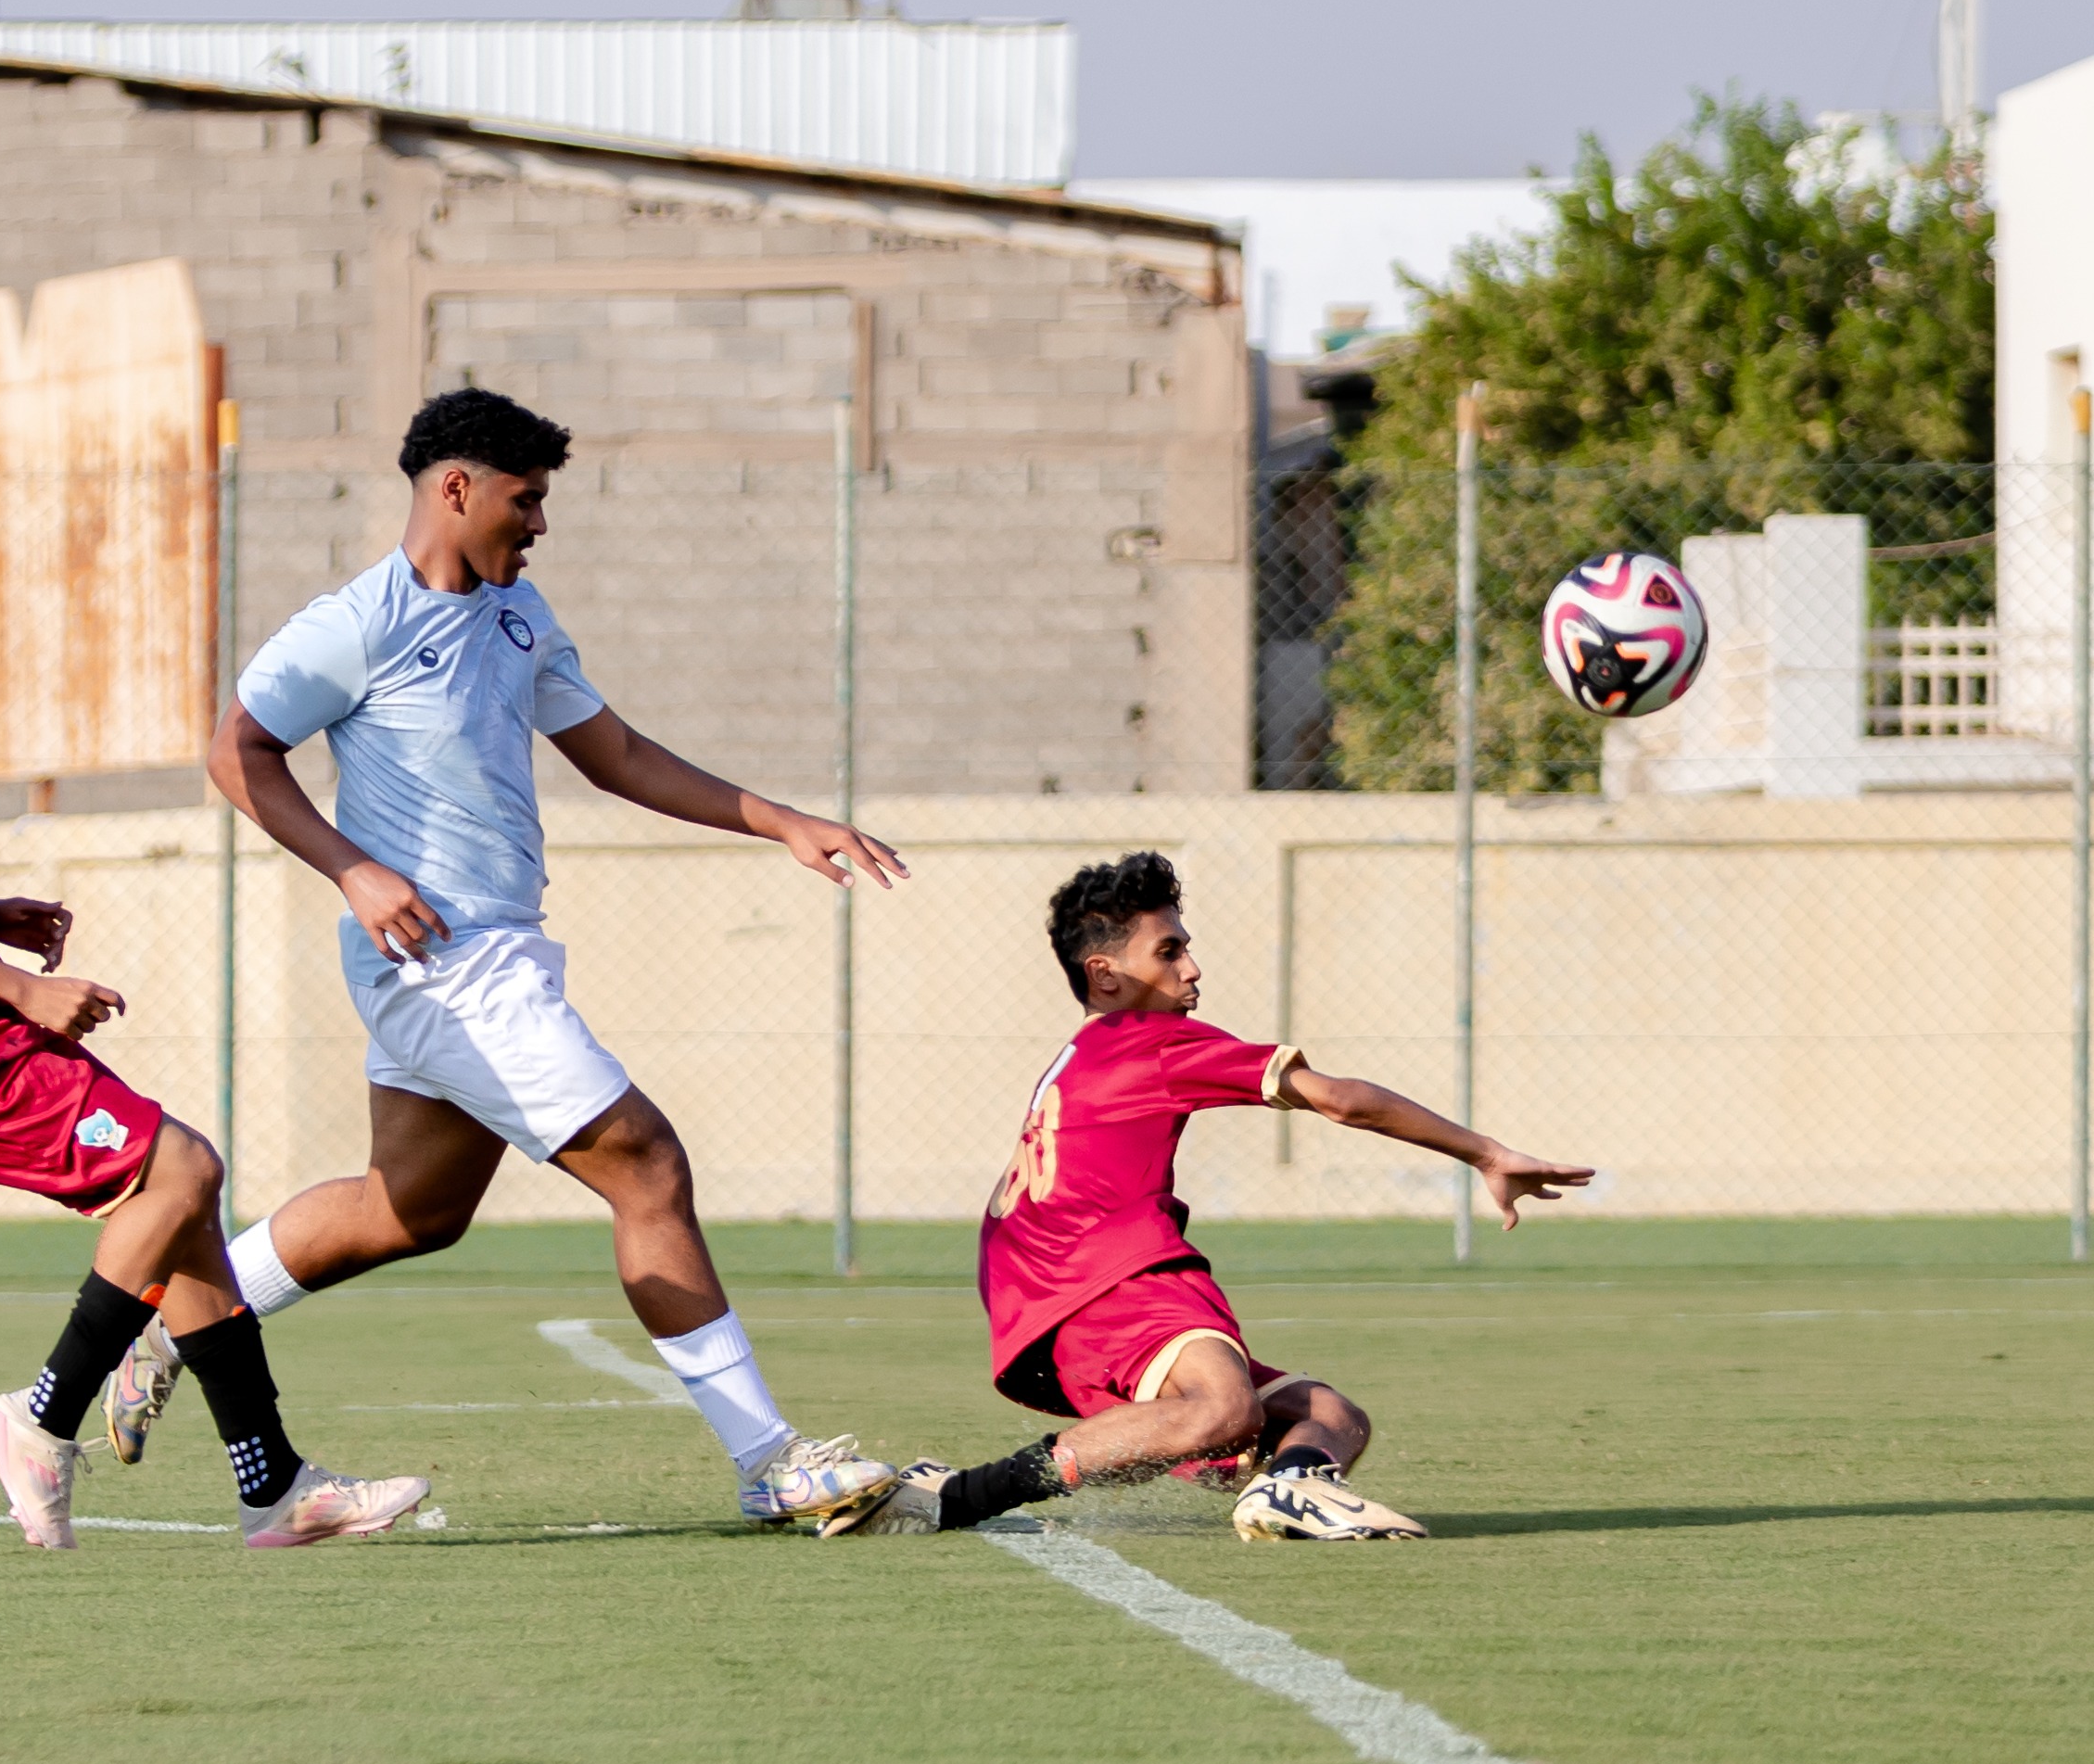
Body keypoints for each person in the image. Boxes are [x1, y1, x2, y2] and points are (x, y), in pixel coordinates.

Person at [102, 388, 902, 1527]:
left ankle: (176, 1321)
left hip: (489, 956)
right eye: (524, 502)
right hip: (445, 964)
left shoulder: (521, 621)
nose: (537, 526)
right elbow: (239, 755)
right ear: (455, 489)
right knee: (647, 1164)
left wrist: (778, 820)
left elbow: (614, 752)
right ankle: (769, 1465)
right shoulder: (354, 622)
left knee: (409, 1211)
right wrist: (351, 868)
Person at [0, 449, 426, 1553]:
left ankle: (273, 1488)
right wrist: (21, 990)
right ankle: (42, 1420)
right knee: (182, 1169)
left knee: (180, 1221)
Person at [827, 850, 1593, 1541]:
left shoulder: (1081, 1055)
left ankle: (1290, 1486)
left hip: (1052, 1291)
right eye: (1170, 950)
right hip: (1105, 1280)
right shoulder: (1149, 1039)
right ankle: (953, 1497)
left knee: (1331, 1415)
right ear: (1106, 974)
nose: (1193, 966)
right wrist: (1486, 1152)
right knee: (1225, 1409)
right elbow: (1340, 1099)